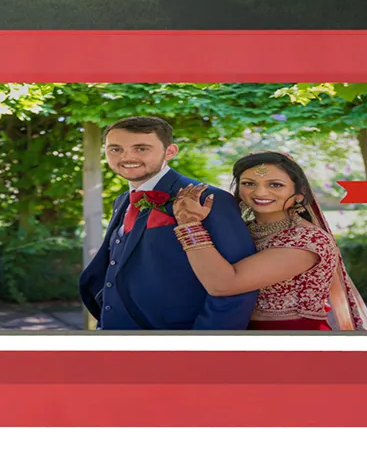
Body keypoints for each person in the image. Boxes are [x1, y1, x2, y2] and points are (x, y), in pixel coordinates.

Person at [78, 116, 257, 330]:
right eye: (115, 149)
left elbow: (237, 286)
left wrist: (205, 345)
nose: (127, 157)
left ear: (170, 151)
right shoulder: (122, 201)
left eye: (141, 149)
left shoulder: (207, 198)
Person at [171, 151, 367, 331]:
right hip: (237, 332)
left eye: (275, 185)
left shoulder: (307, 240)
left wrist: (189, 224)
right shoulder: (243, 230)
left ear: (299, 194)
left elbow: (223, 285)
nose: (260, 192)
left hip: (291, 340)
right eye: (249, 183)